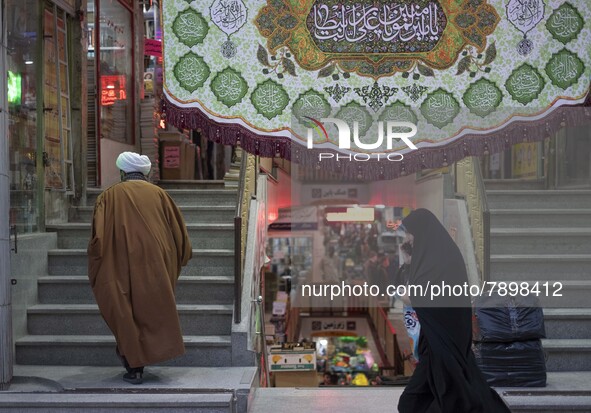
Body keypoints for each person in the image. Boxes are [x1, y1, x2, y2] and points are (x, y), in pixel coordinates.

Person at [87, 152, 192, 384]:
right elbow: (180, 235)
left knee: (124, 312)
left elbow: (98, 240)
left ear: (122, 172)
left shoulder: (109, 196)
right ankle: (142, 359)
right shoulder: (160, 195)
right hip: (157, 265)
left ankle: (134, 365)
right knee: (151, 309)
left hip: (118, 265)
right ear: (145, 173)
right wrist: (178, 258)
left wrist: (97, 266)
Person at [397, 209, 511, 413]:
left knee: (420, 402)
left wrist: (404, 294)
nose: (407, 238)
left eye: (409, 232)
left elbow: (426, 295)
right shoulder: (438, 254)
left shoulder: (439, 259)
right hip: (438, 342)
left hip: (443, 343)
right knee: (430, 398)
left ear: (420, 231)